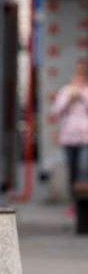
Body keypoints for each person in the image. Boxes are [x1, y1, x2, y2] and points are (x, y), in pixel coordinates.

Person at [50, 60, 88, 203]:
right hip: (68, 137)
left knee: (83, 169)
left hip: (85, 137)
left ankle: (83, 202)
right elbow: (56, 111)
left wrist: (82, 97)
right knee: (72, 170)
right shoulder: (67, 90)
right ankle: (75, 203)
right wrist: (69, 100)